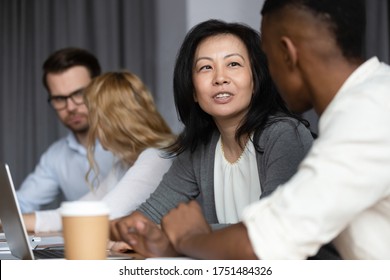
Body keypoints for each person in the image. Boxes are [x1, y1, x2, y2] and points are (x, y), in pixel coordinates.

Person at [134, 0, 390, 260]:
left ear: (287, 53)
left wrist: (188, 237)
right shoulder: (369, 101)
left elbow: (263, 243)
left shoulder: (366, 115)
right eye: (206, 67)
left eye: (265, 58)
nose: (268, 73)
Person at [111, 19, 321, 258]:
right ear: (193, 91)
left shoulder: (284, 135)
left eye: (233, 64)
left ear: (256, 80)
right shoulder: (201, 146)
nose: (220, 78)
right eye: (205, 68)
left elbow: (271, 234)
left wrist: (186, 236)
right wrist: (131, 232)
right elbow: (146, 217)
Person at [22, 71, 176, 234]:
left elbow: (99, 218)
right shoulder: (122, 165)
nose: (93, 129)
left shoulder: (156, 158)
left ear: (113, 121)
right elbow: (80, 211)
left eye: (95, 117)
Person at [16, 47, 115, 213]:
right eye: (59, 99)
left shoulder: (130, 142)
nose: (70, 107)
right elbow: (22, 203)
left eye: (79, 93)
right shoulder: (55, 156)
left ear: (99, 89)